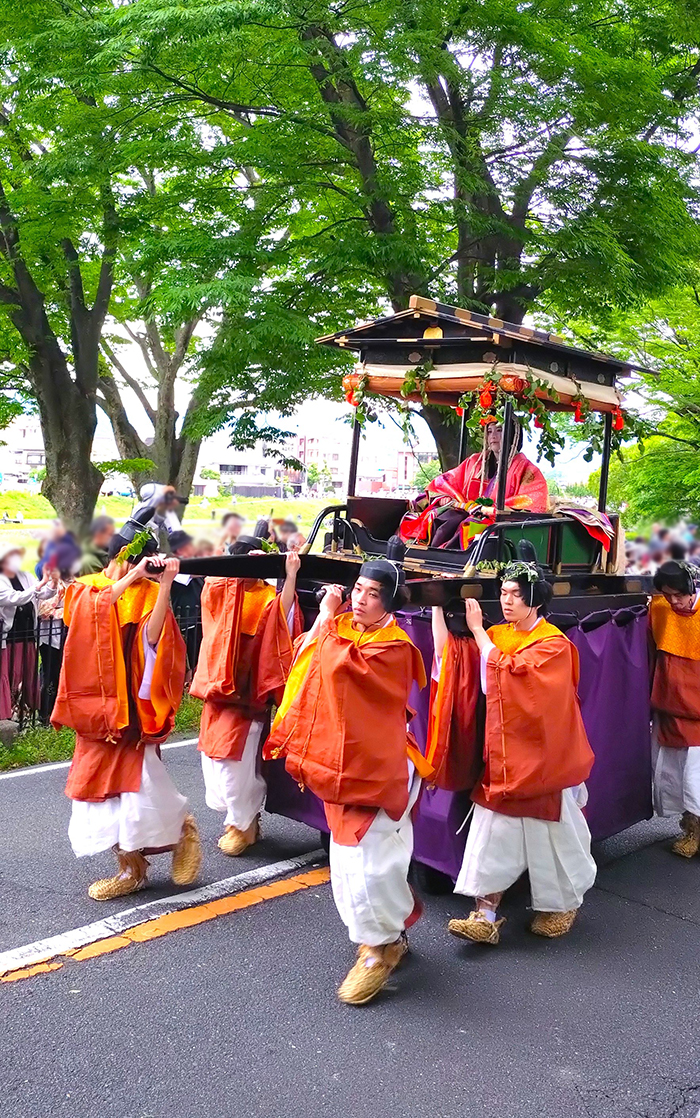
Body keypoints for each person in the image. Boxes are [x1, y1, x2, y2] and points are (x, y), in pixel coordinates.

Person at [266, 559, 428, 1006]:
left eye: (373, 593)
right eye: (357, 589)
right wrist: (324, 618)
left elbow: (335, 666)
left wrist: (325, 619)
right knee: (349, 863)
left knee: (372, 862)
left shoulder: (395, 647)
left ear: (389, 602)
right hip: (341, 763)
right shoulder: (340, 630)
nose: (360, 598)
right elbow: (303, 663)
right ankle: (388, 933)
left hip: (380, 764)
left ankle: (380, 949)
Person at [430, 561, 596, 945]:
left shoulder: (553, 643)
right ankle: (485, 914)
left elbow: (512, 677)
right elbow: (454, 662)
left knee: (553, 840)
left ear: (535, 599)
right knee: (490, 834)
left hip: (541, 761)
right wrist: (437, 606)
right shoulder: (497, 634)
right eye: (503, 593)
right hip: (502, 755)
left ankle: (562, 904)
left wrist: (477, 633)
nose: (506, 601)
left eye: (515, 594)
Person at [52, 512, 202, 900]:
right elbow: (92, 613)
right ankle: (130, 867)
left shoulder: (152, 593)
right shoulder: (88, 589)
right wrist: (131, 577)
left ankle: (177, 833)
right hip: (96, 711)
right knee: (97, 795)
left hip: (131, 708)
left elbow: (154, 640)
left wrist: (164, 586)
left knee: (142, 793)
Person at [190, 538, 303, 857]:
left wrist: (289, 576)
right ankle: (242, 821)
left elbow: (283, 618)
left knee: (235, 767)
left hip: (246, 696)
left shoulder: (267, 597)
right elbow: (212, 585)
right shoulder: (220, 590)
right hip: (216, 694)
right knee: (213, 763)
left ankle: (243, 825)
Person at [400, 419, 549, 547]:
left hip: (499, 521)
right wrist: (449, 499)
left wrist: (490, 510)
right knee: (444, 518)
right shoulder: (475, 461)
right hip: (467, 511)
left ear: (513, 434)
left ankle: (454, 560)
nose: (493, 436)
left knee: (469, 525)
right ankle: (432, 554)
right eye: (489, 431)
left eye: (499, 430)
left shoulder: (527, 469)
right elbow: (447, 482)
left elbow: (533, 501)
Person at [649, 560, 700, 857]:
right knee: (678, 779)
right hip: (670, 707)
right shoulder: (659, 610)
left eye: (678, 595)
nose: (673, 601)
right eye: (667, 595)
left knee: (696, 779)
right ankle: (691, 830)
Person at [0, 544, 58, 719]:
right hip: (9, 635)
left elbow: (44, 594)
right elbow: (12, 598)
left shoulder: (25, 576)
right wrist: (39, 585)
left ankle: (26, 711)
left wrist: (52, 581)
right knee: (10, 672)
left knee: (27, 672)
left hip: (27, 633)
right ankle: (8, 712)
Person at [37, 536, 83, 723]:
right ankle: (46, 713)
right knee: (51, 673)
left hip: (69, 635)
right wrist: (64, 607)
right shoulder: (48, 583)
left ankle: (65, 711)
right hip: (51, 636)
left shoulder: (77, 583)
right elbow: (43, 611)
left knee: (69, 673)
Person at [168, 530, 203, 669]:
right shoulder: (174, 566)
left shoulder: (192, 564)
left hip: (198, 621)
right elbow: (192, 573)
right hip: (185, 625)